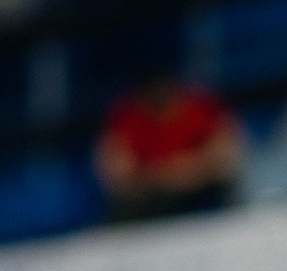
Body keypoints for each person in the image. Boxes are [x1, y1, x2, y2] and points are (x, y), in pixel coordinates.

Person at [96, 72, 244, 223]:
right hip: (154, 204)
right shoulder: (125, 121)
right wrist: (167, 174)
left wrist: (191, 170)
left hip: (204, 196)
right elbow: (119, 176)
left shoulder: (202, 108)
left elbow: (226, 157)